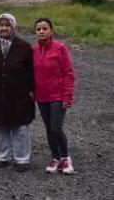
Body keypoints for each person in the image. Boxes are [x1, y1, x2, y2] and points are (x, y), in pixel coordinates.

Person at [0, 13, 35, 172]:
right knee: (0, 126)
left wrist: (32, 89)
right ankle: (2, 157)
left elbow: (31, 70)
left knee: (20, 127)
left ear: (13, 27)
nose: (4, 28)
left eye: (7, 25)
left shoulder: (24, 46)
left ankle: (22, 159)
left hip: (19, 93)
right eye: (1, 25)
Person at [33, 17, 76, 175]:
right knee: (49, 129)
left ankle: (65, 158)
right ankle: (55, 158)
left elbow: (68, 73)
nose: (42, 31)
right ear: (36, 32)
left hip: (57, 96)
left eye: (45, 28)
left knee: (56, 127)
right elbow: (32, 73)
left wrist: (67, 96)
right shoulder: (34, 50)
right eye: (38, 29)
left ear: (51, 31)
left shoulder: (59, 48)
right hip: (41, 97)